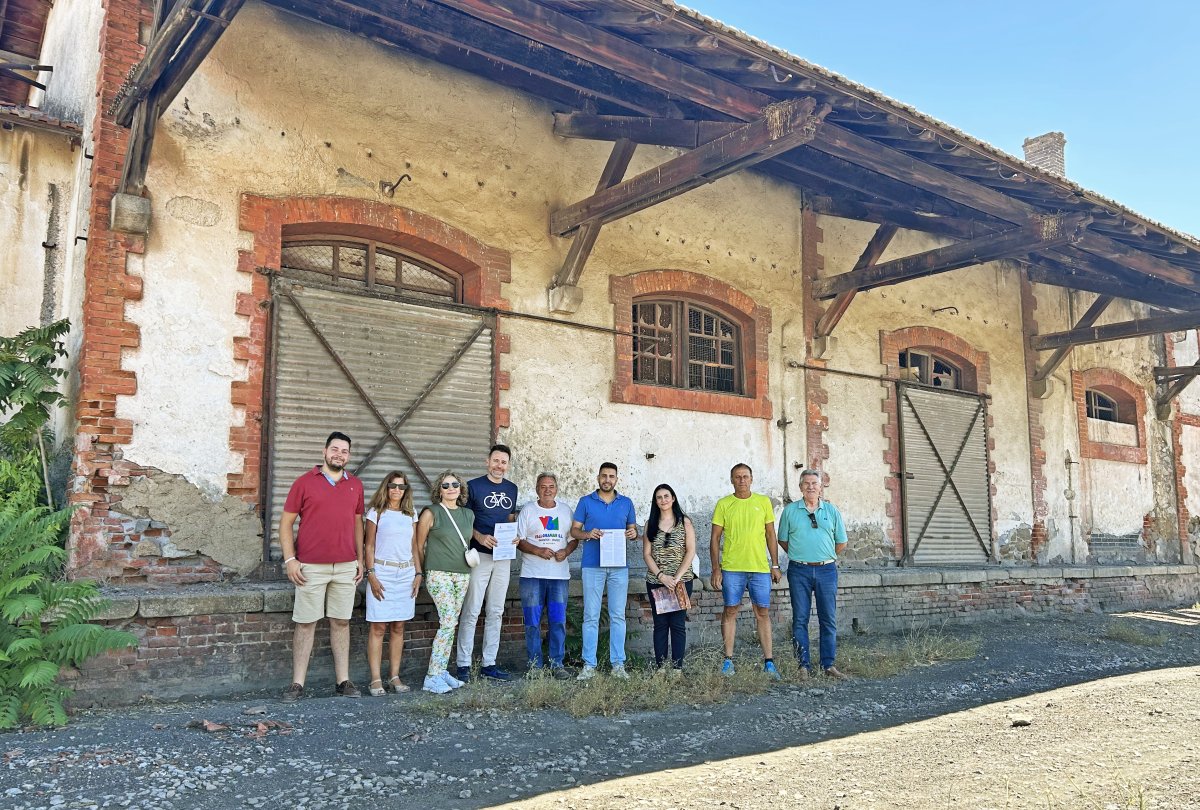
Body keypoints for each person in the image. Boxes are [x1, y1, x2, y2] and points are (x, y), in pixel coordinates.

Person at [278, 432, 365, 702]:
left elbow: (357, 525)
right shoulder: (304, 483)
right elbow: (285, 524)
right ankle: (297, 684)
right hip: (310, 567)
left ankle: (343, 681)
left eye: (344, 451)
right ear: (324, 452)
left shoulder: (356, 485)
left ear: (348, 456)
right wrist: (290, 560)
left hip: (346, 566)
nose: (339, 454)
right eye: (335, 449)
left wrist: (360, 560)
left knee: (341, 621)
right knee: (305, 623)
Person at [710, 463, 782, 679]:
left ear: (752, 479)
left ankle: (769, 663)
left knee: (762, 613)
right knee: (730, 611)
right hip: (732, 568)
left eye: (745, 476)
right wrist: (716, 568)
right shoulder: (724, 504)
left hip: (759, 568)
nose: (742, 480)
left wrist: (775, 565)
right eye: (737, 477)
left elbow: (770, 534)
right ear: (731, 480)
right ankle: (728, 661)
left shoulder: (763, 502)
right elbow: (714, 538)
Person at [778, 469, 849, 680]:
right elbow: (783, 540)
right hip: (799, 570)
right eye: (806, 483)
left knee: (828, 618)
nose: (810, 486)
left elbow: (841, 542)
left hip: (827, 570)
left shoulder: (831, 511)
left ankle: (828, 665)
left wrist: (824, 556)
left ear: (821, 487)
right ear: (800, 487)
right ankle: (803, 665)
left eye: (814, 483)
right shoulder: (790, 511)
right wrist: (802, 555)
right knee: (800, 618)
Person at [456, 444, 519, 682]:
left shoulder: (511, 488)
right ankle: (463, 664)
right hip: (479, 555)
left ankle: (489, 663)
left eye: (503, 462)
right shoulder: (473, 487)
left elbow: (510, 517)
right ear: (487, 461)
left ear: (508, 465)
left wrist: (514, 536)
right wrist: (479, 536)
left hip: (503, 556)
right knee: (472, 609)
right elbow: (464, 520)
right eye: (496, 461)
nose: (499, 466)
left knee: (496, 610)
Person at [570, 462, 638, 680]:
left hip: (619, 567)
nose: (607, 480)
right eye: (604, 476)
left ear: (617, 479)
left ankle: (618, 664)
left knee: (618, 616)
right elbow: (574, 531)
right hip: (592, 566)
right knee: (591, 616)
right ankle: (589, 665)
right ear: (598, 477)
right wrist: (588, 534)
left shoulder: (626, 503)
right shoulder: (585, 502)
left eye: (611, 476)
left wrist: (632, 534)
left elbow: (633, 531)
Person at [414, 471, 475, 694]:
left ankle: (440, 671)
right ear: (439, 489)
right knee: (448, 622)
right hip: (438, 574)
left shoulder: (468, 515)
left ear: (461, 488)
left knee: (451, 624)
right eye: (446, 485)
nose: (451, 488)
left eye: (455, 484)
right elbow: (418, 546)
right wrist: (422, 572)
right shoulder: (432, 513)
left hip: (463, 574)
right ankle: (431, 676)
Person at [515, 472, 577, 679]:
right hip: (532, 575)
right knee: (532, 622)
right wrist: (538, 550)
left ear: (557, 489)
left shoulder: (566, 511)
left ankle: (556, 664)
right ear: (537, 489)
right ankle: (535, 666)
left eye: (551, 486)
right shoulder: (528, 511)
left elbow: (574, 538)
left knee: (558, 621)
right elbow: (520, 541)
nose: (547, 490)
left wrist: (566, 552)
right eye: (543, 486)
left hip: (559, 576)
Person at [363, 471, 419, 696]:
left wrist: (418, 573)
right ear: (385, 487)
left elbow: (415, 546)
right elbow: (368, 546)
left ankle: (394, 676)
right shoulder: (376, 513)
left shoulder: (410, 513)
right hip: (382, 572)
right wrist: (371, 575)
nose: (397, 490)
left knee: (399, 626)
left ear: (406, 490)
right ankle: (375, 679)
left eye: (401, 487)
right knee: (378, 626)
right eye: (393, 486)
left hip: (405, 574)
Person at [642, 484, 696, 672]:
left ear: (673, 498)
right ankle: (661, 668)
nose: (663, 500)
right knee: (661, 625)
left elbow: (690, 551)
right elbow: (647, 554)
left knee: (678, 624)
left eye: (666, 496)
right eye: (659, 497)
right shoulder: (650, 524)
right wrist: (662, 576)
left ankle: (677, 669)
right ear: (655, 502)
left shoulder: (685, 522)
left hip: (681, 581)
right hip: (656, 582)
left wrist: (676, 578)